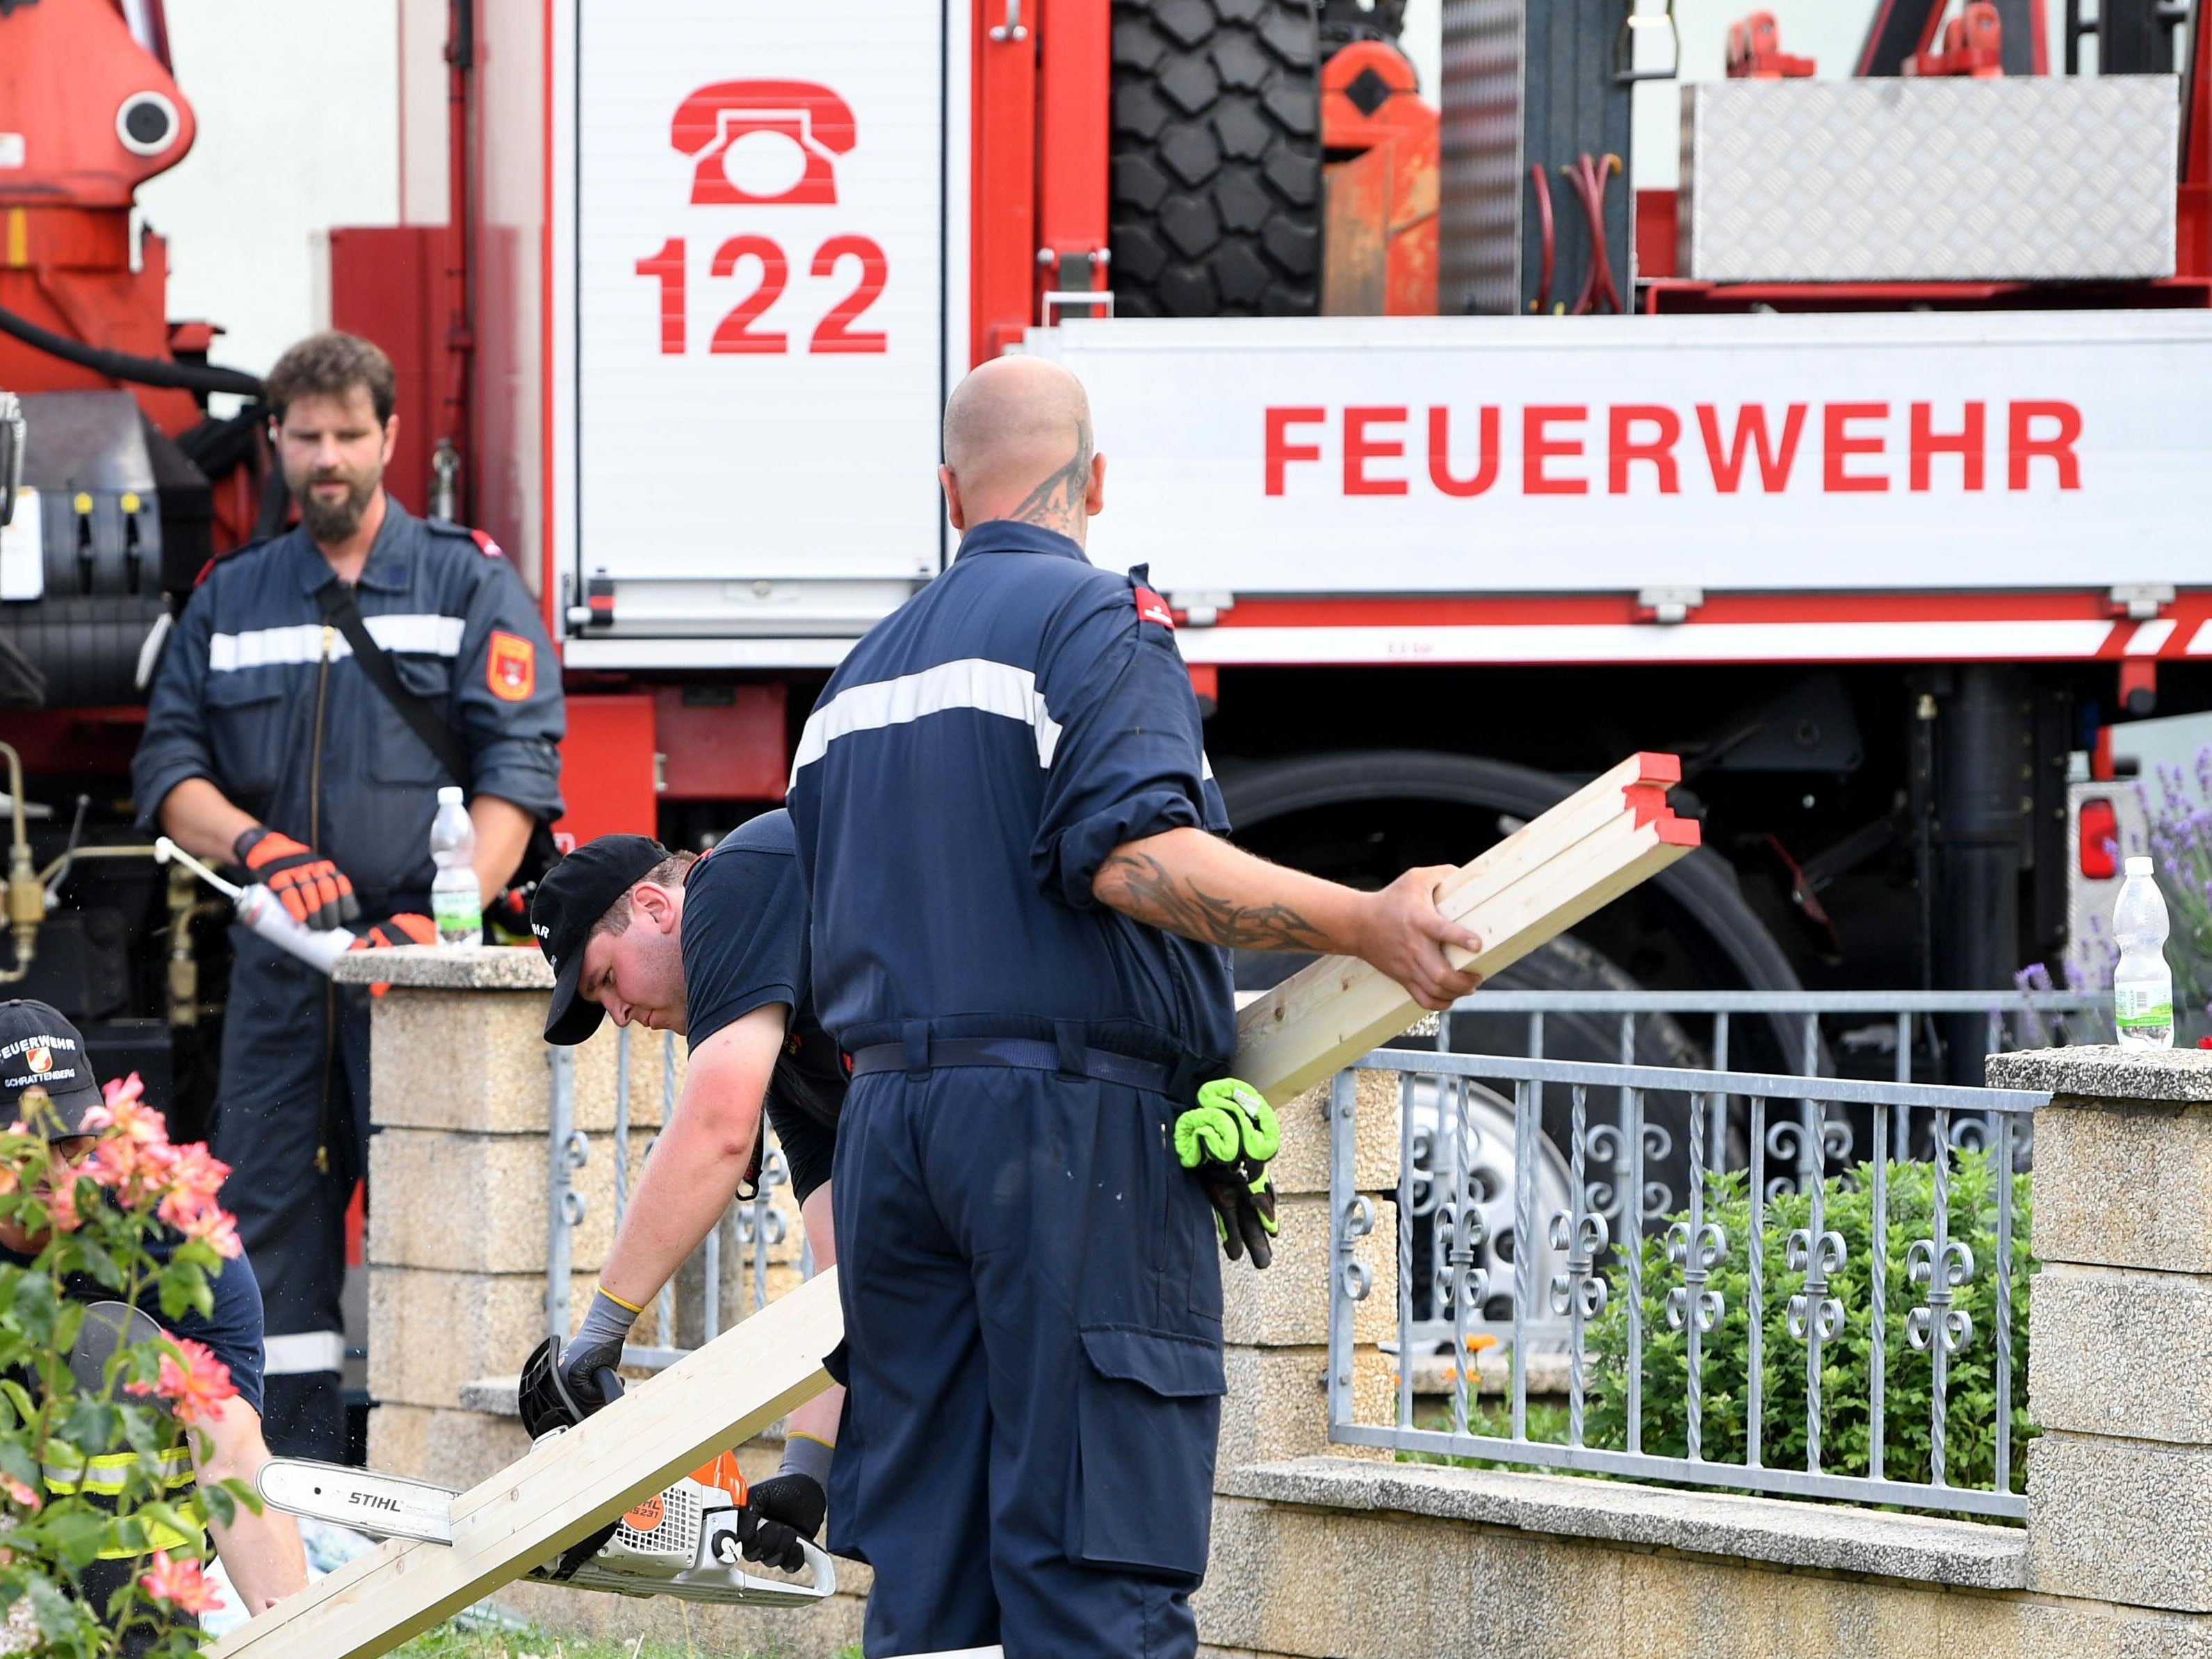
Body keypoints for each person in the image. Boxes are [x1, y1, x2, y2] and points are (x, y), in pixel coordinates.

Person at [784, 353, 1483, 1658]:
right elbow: (1131, 855)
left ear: (950, 493)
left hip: (893, 1130)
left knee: (933, 1569)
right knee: (1092, 1559)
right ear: (1093, 480)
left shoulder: (851, 685)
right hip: (1059, 1135)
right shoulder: (1099, 624)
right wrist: (1364, 917)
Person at [131, 330, 565, 1459]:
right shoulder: (229, 598)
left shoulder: (470, 580)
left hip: (419, 970)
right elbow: (168, 775)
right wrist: (259, 844)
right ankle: (297, 1496)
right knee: (265, 1228)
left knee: (442, 1222)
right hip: (281, 967)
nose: (328, 458)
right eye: (307, 436)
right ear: (273, 440)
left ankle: (451, 1488)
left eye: (348, 435)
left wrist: (444, 917)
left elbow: (519, 771)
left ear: (391, 439)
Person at [526, 816, 843, 1571]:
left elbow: (713, 1131)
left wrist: (599, 1333)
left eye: (604, 979)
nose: (620, 1013)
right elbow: (843, 1281)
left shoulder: (733, 879)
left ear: (655, 907)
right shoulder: (799, 1064)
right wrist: (807, 1471)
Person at [0, 999, 307, 1651]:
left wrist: (298, 1636)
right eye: (22, 1150)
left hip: (112, 1557)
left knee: (106, 1347)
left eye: (72, 1145)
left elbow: (230, 1451)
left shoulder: (172, 1224)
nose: (54, 1174)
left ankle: (139, 1639)